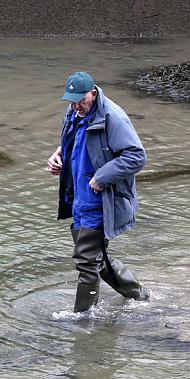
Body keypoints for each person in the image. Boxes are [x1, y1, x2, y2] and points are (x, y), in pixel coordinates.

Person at [47, 71, 150, 312]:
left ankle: (81, 317)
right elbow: (73, 141)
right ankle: (140, 296)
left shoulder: (113, 117)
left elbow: (136, 156)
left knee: (85, 262)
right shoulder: (74, 111)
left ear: (93, 93)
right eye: (71, 101)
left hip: (100, 200)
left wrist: (102, 177)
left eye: (80, 101)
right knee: (96, 259)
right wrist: (57, 155)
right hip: (78, 199)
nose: (75, 106)